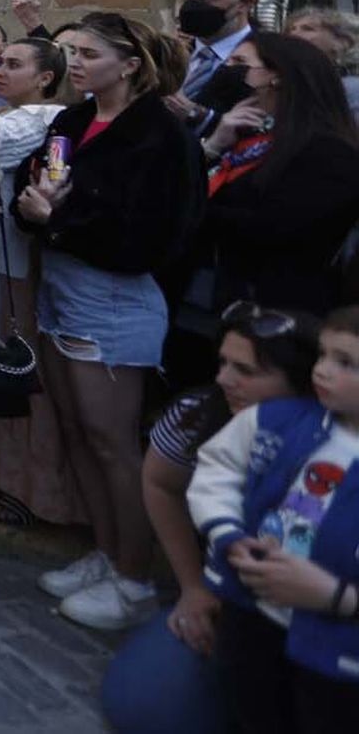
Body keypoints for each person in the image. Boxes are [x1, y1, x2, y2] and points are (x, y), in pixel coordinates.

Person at [13, 13, 205, 630]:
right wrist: (33, 206)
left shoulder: (157, 133)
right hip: (63, 286)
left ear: (130, 64)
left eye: (88, 53)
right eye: (70, 52)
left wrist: (57, 221)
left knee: (112, 440)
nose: (76, 63)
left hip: (114, 295)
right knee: (75, 430)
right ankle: (105, 550)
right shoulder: (72, 120)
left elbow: (154, 230)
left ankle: (134, 577)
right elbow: (35, 182)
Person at [101, 303, 322, 734]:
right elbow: (159, 483)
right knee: (145, 705)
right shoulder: (200, 414)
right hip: (233, 597)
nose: (224, 379)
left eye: (247, 370)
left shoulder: (334, 446)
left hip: (312, 614)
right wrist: (194, 589)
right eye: (223, 363)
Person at [186, 305, 359, 733]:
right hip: (253, 611)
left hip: (338, 646)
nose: (322, 370)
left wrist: (336, 596)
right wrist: (227, 533)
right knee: (245, 709)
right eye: (322, 355)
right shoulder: (278, 420)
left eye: (346, 363)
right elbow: (217, 469)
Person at [169, 32, 359, 390]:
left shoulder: (328, 152)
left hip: (273, 315)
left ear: (277, 76)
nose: (227, 70)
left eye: (241, 64)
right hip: (206, 305)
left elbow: (274, 227)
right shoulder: (246, 138)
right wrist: (212, 147)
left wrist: (197, 211)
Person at [0, 38, 83, 526]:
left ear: (45, 78)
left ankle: (36, 490)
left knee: (23, 379)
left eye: (14, 65)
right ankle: (1, 476)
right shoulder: (20, 119)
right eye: (0, 62)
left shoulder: (34, 122)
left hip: (19, 268)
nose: (0, 71)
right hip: (0, 264)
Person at [167, 0, 259, 138]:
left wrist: (198, 116)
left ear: (245, 3)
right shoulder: (168, 53)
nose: (190, 6)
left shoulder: (267, 57)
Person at [285, 6, 359, 116]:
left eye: (307, 29)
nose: (293, 34)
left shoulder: (351, 87)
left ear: (341, 41)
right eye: (292, 29)